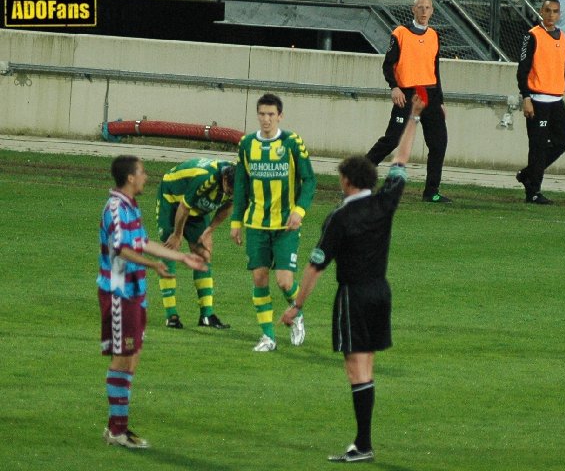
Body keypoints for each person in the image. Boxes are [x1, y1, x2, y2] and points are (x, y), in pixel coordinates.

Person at [279, 94, 426, 463]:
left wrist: (296, 307)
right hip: (381, 292)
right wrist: (414, 119)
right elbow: (402, 159)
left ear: (346, 182)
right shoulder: (385, 202)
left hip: (354, 297)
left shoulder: (339, 218)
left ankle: (363, 444)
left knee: (354, 367)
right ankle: (363, 443)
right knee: (368, 365)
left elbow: (315, 267)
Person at [98, 155, 206, 448]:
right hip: (119, 292)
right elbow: (120, 249)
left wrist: (179, 256)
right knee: (123, 357)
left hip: (134, 292)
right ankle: (117, 430)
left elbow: (143, 242)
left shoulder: (131, 206)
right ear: (130, 178)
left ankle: (117, 428)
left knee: (131, 359)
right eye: (143, 173)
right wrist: (153, 265)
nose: (146, 177)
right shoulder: (116, 208)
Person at [230, 93, 317, 351]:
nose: (266, 119)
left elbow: (309, 180)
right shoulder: (246, 145)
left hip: (285, 226)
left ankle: (297, 314)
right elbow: (241, 185)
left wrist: (299, 211)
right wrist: (236, 222)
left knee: (284, 282)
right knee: (259, 279)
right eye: (262, 114)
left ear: (280, 116)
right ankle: (268, 337)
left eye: (271, 114)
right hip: (256, 224)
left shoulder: (292, 143)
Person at [365, 0, 450, 203]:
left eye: (427, 8)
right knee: (392, 140)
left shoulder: (434, 36)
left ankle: (431, 192)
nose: (423, 12)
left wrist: (440, 101)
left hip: (429, 94)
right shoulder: (400, 33)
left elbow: (435, 70)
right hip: (407, 94)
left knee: (438, 144)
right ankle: (358, 177)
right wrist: (394, 87)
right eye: (420, 7)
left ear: (432, 11)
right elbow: (388, 64)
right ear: (413, 10)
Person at [156, 158, 235, 330]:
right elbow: (184, 207)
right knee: (171, 250)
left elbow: (228, 206)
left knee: (203, 254)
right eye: (229, 190)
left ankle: (206, 315)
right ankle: (171, 316)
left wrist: (209, 231)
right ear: (224, 180)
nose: (231, 194)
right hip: (173, 198)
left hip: (196, 207)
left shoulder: (241, 183)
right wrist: (177, 235)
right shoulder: (204, 178)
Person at [516, 0, 565, 205]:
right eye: (548, 11)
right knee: (538, 146)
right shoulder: (532, 36)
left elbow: (562, 68)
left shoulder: (562, 37)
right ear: (541, 11)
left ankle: (528, 173)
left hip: (556, 99)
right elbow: (522, 70)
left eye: (555, 11)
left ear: (560, 14)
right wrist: (526, 97)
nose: (551, 15)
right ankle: (533, 191)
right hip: (538, 100)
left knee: (563, 141)